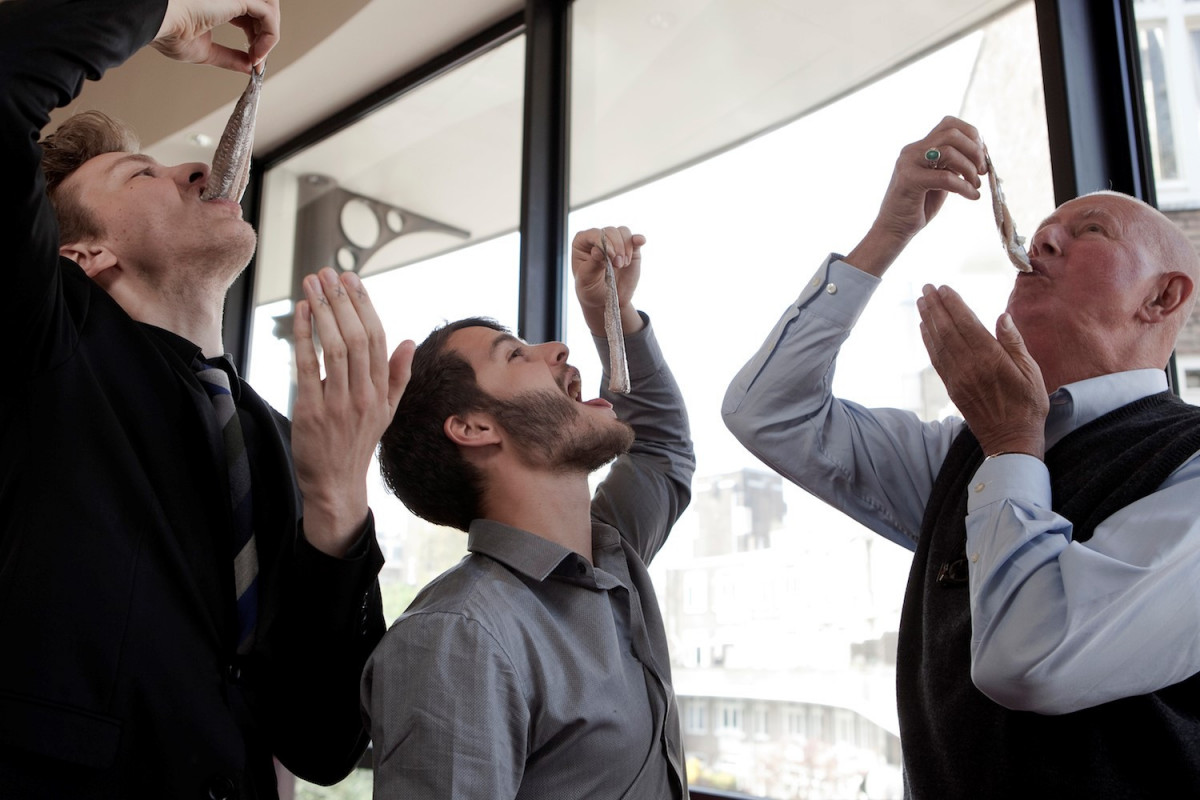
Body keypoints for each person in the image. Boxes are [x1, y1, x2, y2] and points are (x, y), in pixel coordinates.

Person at [0, 0, 412, 797]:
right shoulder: (40, 346)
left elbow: (324, 743)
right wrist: (167, 8)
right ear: (83, 254)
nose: (196, 171)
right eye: (141, 175)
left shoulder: (281, 441)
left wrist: (337, 504)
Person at [723, 115, 1200, 798]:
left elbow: (1030, 662)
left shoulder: (1187, 466)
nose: (1040, 239)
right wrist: (888, 232)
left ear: (1163, 296)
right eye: (1043, 229)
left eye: (1091, 230)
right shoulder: (965, 453)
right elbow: (768, 412)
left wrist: (1011, 443)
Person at [362, 226, 694, 799]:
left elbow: (660, 446)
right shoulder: (455, 639)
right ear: (474, 427)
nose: (557, 349)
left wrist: (611, 314)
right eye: (515, 354)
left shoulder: (612, 554)